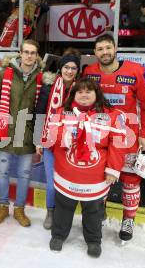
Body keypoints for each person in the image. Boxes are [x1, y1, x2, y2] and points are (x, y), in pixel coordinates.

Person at [83, 33, 145, 242]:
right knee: (99, 179)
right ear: (95, 53)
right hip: (100, 138)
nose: (104, 52)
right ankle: (99, 213)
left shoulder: (136, 71)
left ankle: (129, 219)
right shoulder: (89, 72)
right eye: (100, 49)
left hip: (128, 137)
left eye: (108, 48)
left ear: (115, 48)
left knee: (131, 181)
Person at [47, 78, 126, 258]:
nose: (84, 95)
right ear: (73, 95)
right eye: (80, 91)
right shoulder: (60, 113)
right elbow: (50, 137)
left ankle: (93, 240)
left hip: (95, 178)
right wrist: (63, 137)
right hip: (66, 175)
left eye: (88, 91)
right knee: (63, 207)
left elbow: (119, 144)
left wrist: (113, 169)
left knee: (93, 211)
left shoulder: (113, 116)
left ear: (96, 94)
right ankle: (58, 235)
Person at [0, 39, 44, 227]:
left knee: (24, 173)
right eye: (26, 52)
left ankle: (19, 209)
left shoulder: (42, 78)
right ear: (20, 53)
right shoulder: (4, 74)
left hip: (27, 132)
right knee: (3, 171)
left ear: (37, 55)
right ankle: (3, 206)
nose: (29, 56)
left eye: (33, 53)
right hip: (6, 129)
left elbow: (41, 108)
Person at [35, 53, 81, 230]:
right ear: (60, 69)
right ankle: (51, 211)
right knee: (52, 181)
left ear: (77, 70)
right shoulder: (48, 87)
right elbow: (40, 113)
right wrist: (38, 140)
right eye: (66, 67)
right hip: (50, 141)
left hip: (73, 143)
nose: (69, 71)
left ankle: (64, 213)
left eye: (73, 68)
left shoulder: (82, 89)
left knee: (69, 181)